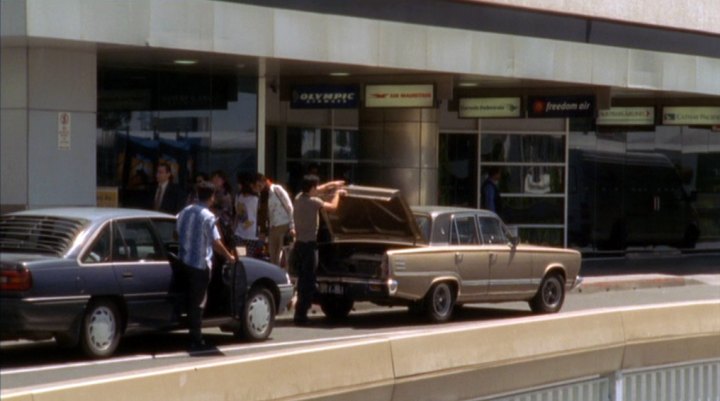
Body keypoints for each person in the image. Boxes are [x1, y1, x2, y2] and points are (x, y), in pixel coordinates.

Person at [176, 181, 236, 351]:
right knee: (198, 302)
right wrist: (229, 256)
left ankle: (187, 332)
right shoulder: (208, 217)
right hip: (200, 265)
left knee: (187, 299)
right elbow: (215, 242)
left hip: (183, 262)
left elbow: (176, 231)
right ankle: (196, 339)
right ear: (211, 197)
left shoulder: (185, 211)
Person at [292, 176, 346, 325]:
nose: (318, 189)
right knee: (308, 281)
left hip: (299, 245)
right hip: (309, 246)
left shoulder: (298, 198)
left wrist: (332, 184)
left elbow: (318, 189)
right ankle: (301, 315)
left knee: (303, 279)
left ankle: (299, 312)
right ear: (312, 188)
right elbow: (333, 207)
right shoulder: (314, 202)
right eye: (315, 187)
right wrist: (337, 194)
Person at [263, 175, 295, 266]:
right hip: (273, 227)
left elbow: (289, 206)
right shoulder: (264, 195)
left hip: (283, 225)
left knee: (282, 255)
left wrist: (292, 226)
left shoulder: (277, 189)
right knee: (272, 255)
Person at [233, 173, 264, 258]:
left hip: (249, 235)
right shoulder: (239, 196)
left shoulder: (256, 199)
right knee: (244, 258)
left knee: (243, 258)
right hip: (243, 234)